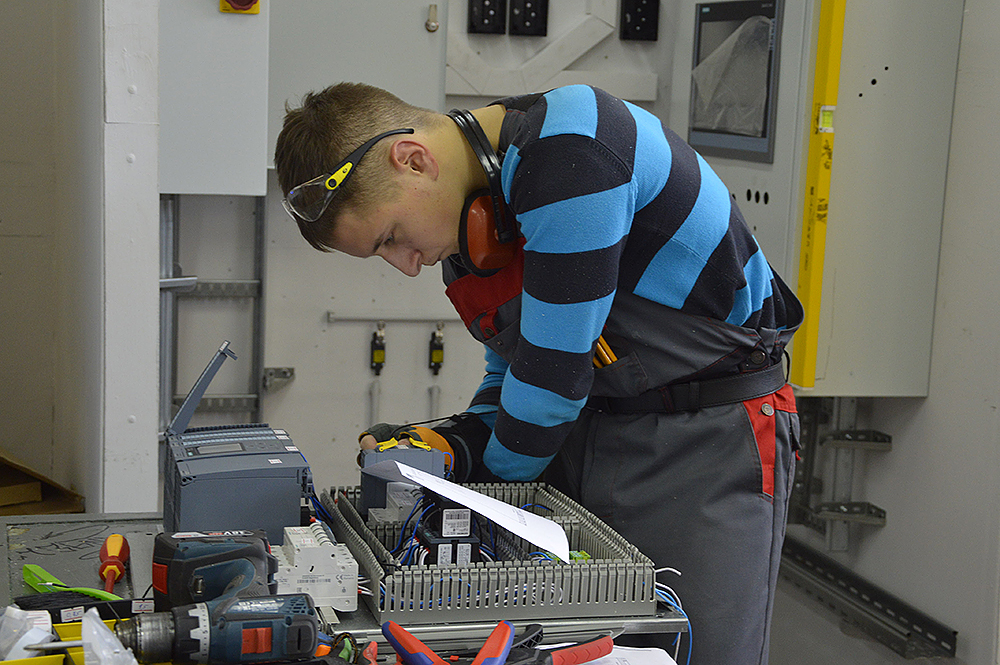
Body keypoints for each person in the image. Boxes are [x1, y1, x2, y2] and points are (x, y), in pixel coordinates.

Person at [274, 81, 804, 665]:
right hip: (591, 433)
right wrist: (453, 442)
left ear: (414, 159)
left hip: (706, 441)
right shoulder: (471, 230)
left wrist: (476, 498)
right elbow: (513, 371)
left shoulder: (574, 150)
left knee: (688, 647)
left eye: (391, 238)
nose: (406, 265)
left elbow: (551, 385)